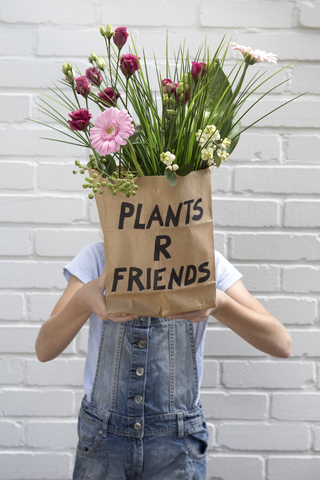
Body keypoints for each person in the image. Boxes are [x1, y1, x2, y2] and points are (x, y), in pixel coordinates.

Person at [35, 242, 291, 480]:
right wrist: (81, 301)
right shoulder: (96, 259)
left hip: (177, 449)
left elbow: (281, 343)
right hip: (103, 446)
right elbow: (44, 349)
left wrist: (219, 303)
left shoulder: (206, 263)